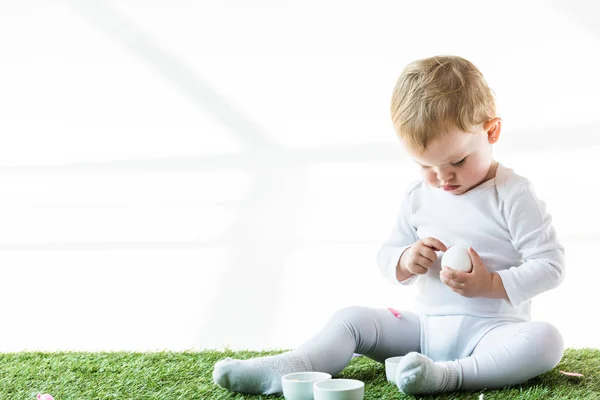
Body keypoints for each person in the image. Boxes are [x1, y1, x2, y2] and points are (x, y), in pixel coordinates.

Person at [212, 55, 565, 395]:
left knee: (546, 340)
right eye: (425, 165)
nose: (442, 178)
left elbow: (550, 266)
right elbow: (387, 255)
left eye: (457, 160)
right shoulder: (418, 197)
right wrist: (406, 259)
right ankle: (296, 366)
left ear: (492, 131)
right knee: (351, 319)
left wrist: (490, 283)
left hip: (493, 333)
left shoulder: (513, 193)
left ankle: (447, 377)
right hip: (425, 330)